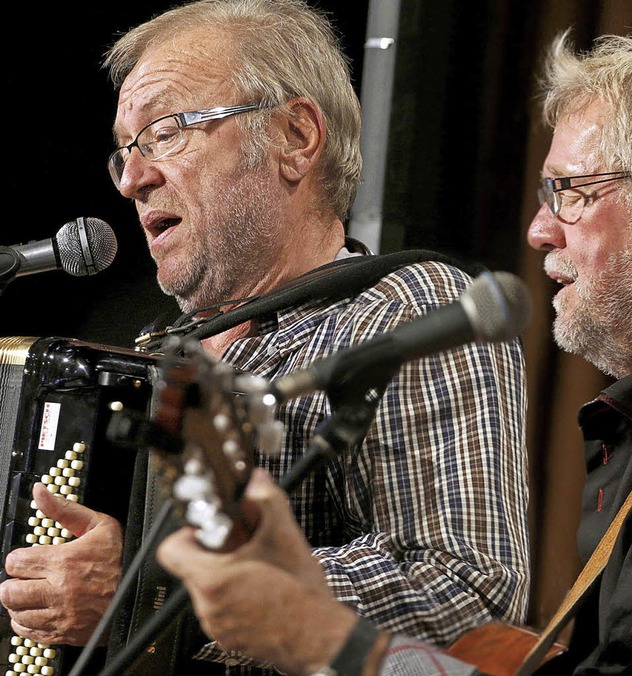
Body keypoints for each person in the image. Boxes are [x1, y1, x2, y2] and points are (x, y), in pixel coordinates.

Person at [0, 1, 529, 673]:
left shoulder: (406, 313)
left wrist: (160, 585)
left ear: (295, 137)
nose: (134, 179)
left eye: (165, 131)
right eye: (125, 151)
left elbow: (468, 589)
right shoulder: (151, 357)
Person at [159, 26, 632, 676]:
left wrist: (311, 629)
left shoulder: (408, 306)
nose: (537, 229)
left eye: (571, 191)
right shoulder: (626, 442)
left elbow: (469, 589)